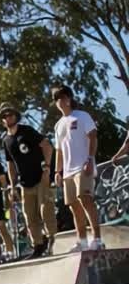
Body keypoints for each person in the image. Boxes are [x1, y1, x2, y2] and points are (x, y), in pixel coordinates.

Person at [0, 104, 57, 258]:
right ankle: (38, 245)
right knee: (29, 216)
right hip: (25, 183)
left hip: (41, 177)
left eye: (10, 114)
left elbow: (47, 146)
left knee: (46, 210)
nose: (8, 117)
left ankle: (52, 240)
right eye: (5, 116)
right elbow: (10, 165)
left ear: (15, 116)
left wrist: (47, 168)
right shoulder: (6, 141)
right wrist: (12, 186)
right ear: (2, 120)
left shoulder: (27, 131)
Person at [52, 85, 102, 251]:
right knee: (74, 206)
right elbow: (59, 151)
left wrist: (90, 158)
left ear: (69, 99)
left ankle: (97, 239)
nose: (60, 101)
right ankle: (82, 242)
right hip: (67, 171)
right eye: (56, 98)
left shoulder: (82, 116)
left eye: (62, 97)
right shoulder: (58, 125)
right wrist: (57, 172)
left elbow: (93, 137)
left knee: (85, 200)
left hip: (83, 166)